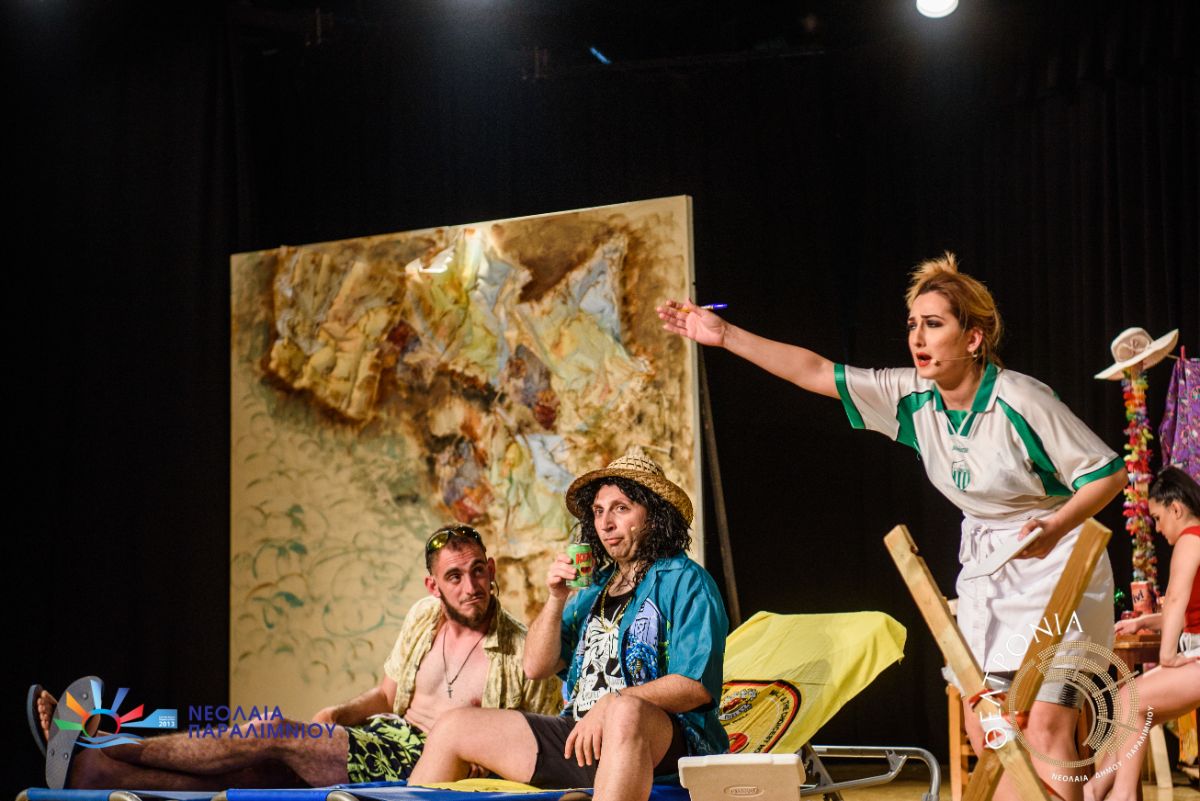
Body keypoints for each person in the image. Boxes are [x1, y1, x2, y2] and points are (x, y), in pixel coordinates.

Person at [657, 253, 1127, 801]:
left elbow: (1108, 473)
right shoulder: (911, 396)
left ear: (974, 338)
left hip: (1059, 557)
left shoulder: (1021, 399)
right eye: (912, 324)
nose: (917, 338)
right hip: (989, 565)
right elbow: (816, 372)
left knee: (1043, 724)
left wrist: (1055, 525)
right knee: (989, 729)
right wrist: (724, 335)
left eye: (934, 324)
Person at [31, 525, 561, 790]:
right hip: (378, 738)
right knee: (253, 773)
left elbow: (526, 744)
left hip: (413, 767)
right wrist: (340, 712)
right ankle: (97, 771)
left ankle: (109, 740)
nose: (470, 586)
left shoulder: (522, 649)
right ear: (433, 585)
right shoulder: (424, 617)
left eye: (478, 571)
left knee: (269, 729)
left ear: (491, 569)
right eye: (455, 576)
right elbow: (387, 694)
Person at [407, 448, 728, 801]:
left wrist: (612, 702)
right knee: (454, 726)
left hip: (665, 743)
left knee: (625, 712)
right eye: (599, 511)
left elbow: (695, 686)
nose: (606, 523)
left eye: (621, 508)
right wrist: (556, 598)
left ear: (654, 514)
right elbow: (535, 666)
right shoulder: (593, 587)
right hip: (581, 735)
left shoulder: (687, 581)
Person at [1086, 466, 1200, 801]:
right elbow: (1185, 612)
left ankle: (1121, 795)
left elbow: (1176, 599)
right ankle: (1094, 790)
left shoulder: (1190, 539)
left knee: (1129, 700)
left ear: (1176, 509)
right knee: (1136, 710)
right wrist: (1144, 622)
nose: (1158, 528)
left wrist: (1167, 656)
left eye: (1158, 518)